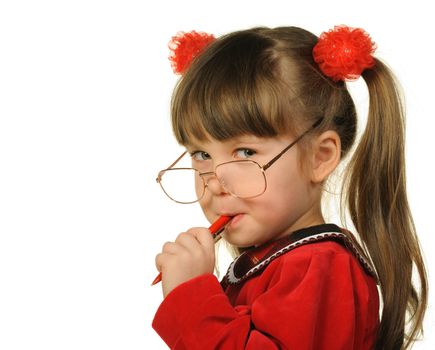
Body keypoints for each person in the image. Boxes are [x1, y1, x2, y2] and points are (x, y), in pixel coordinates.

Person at [152, 25, 428, 349]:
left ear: (319, 157)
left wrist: (192, 297)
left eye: (245, 152)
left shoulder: (318, 265)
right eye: (202, 155)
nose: (214, 182)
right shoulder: (280, 261)